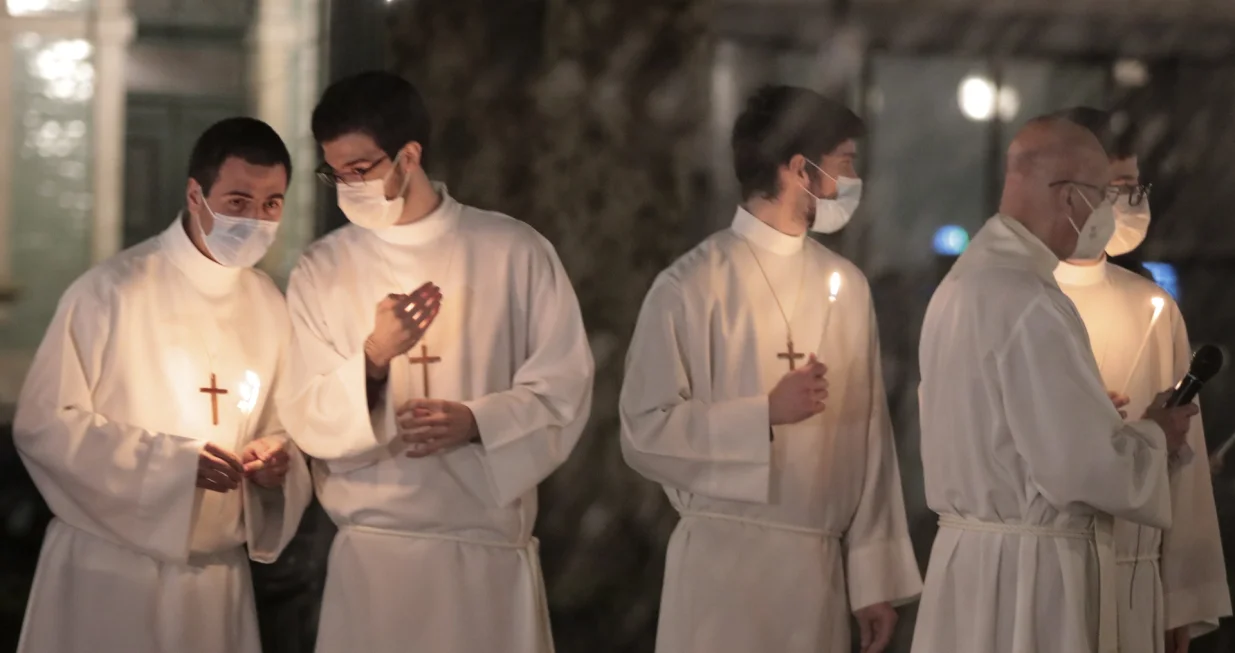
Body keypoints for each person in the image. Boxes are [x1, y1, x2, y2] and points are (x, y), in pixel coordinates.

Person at [279, 71, 594, 653]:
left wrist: (478, 422)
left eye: (361, 169)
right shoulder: (323, 269)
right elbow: (304, 410)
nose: (347, 186)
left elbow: (565, 387)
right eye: (335, 173)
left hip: (484, 556)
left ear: (410, 155)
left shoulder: (513, 251)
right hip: (375, 560)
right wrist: (373, 359)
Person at [620, 85, 922, 653]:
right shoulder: (691, 285)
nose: (853, 181)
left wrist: (871, 580)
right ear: (798, 168)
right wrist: (762, 414)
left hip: (816, 573)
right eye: (845, 164)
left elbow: (870, 441)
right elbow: (643, 432)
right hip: (721, 572)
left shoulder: (848, 288)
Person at [12, 117, 312, 653]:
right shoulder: (112, 290)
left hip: (215, 579)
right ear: (195, 195)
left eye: (272, 204)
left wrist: (275, 460)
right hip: (111, 572)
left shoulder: (269, 304)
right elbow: (44, 424)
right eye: (238, 201)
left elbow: (281, 423)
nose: (256, 220)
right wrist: (173, 465)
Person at [912, 115, 1199, 653]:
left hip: (968, 566)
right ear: (1071, 199)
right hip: (1033, 577)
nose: (1108, 217)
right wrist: (1155, 433)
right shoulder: (1031, 301)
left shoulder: (961, 285)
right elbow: (1084, 468)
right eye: (1102, 197)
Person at [1053, 106, 1230, 653]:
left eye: (1137, 186)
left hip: (1135, 574)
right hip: (1047, 563)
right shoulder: (1021, 298)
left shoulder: (1153, 307)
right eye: (1119, 186)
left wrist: (1182, 596)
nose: (1133, 203)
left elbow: (1186, 464)